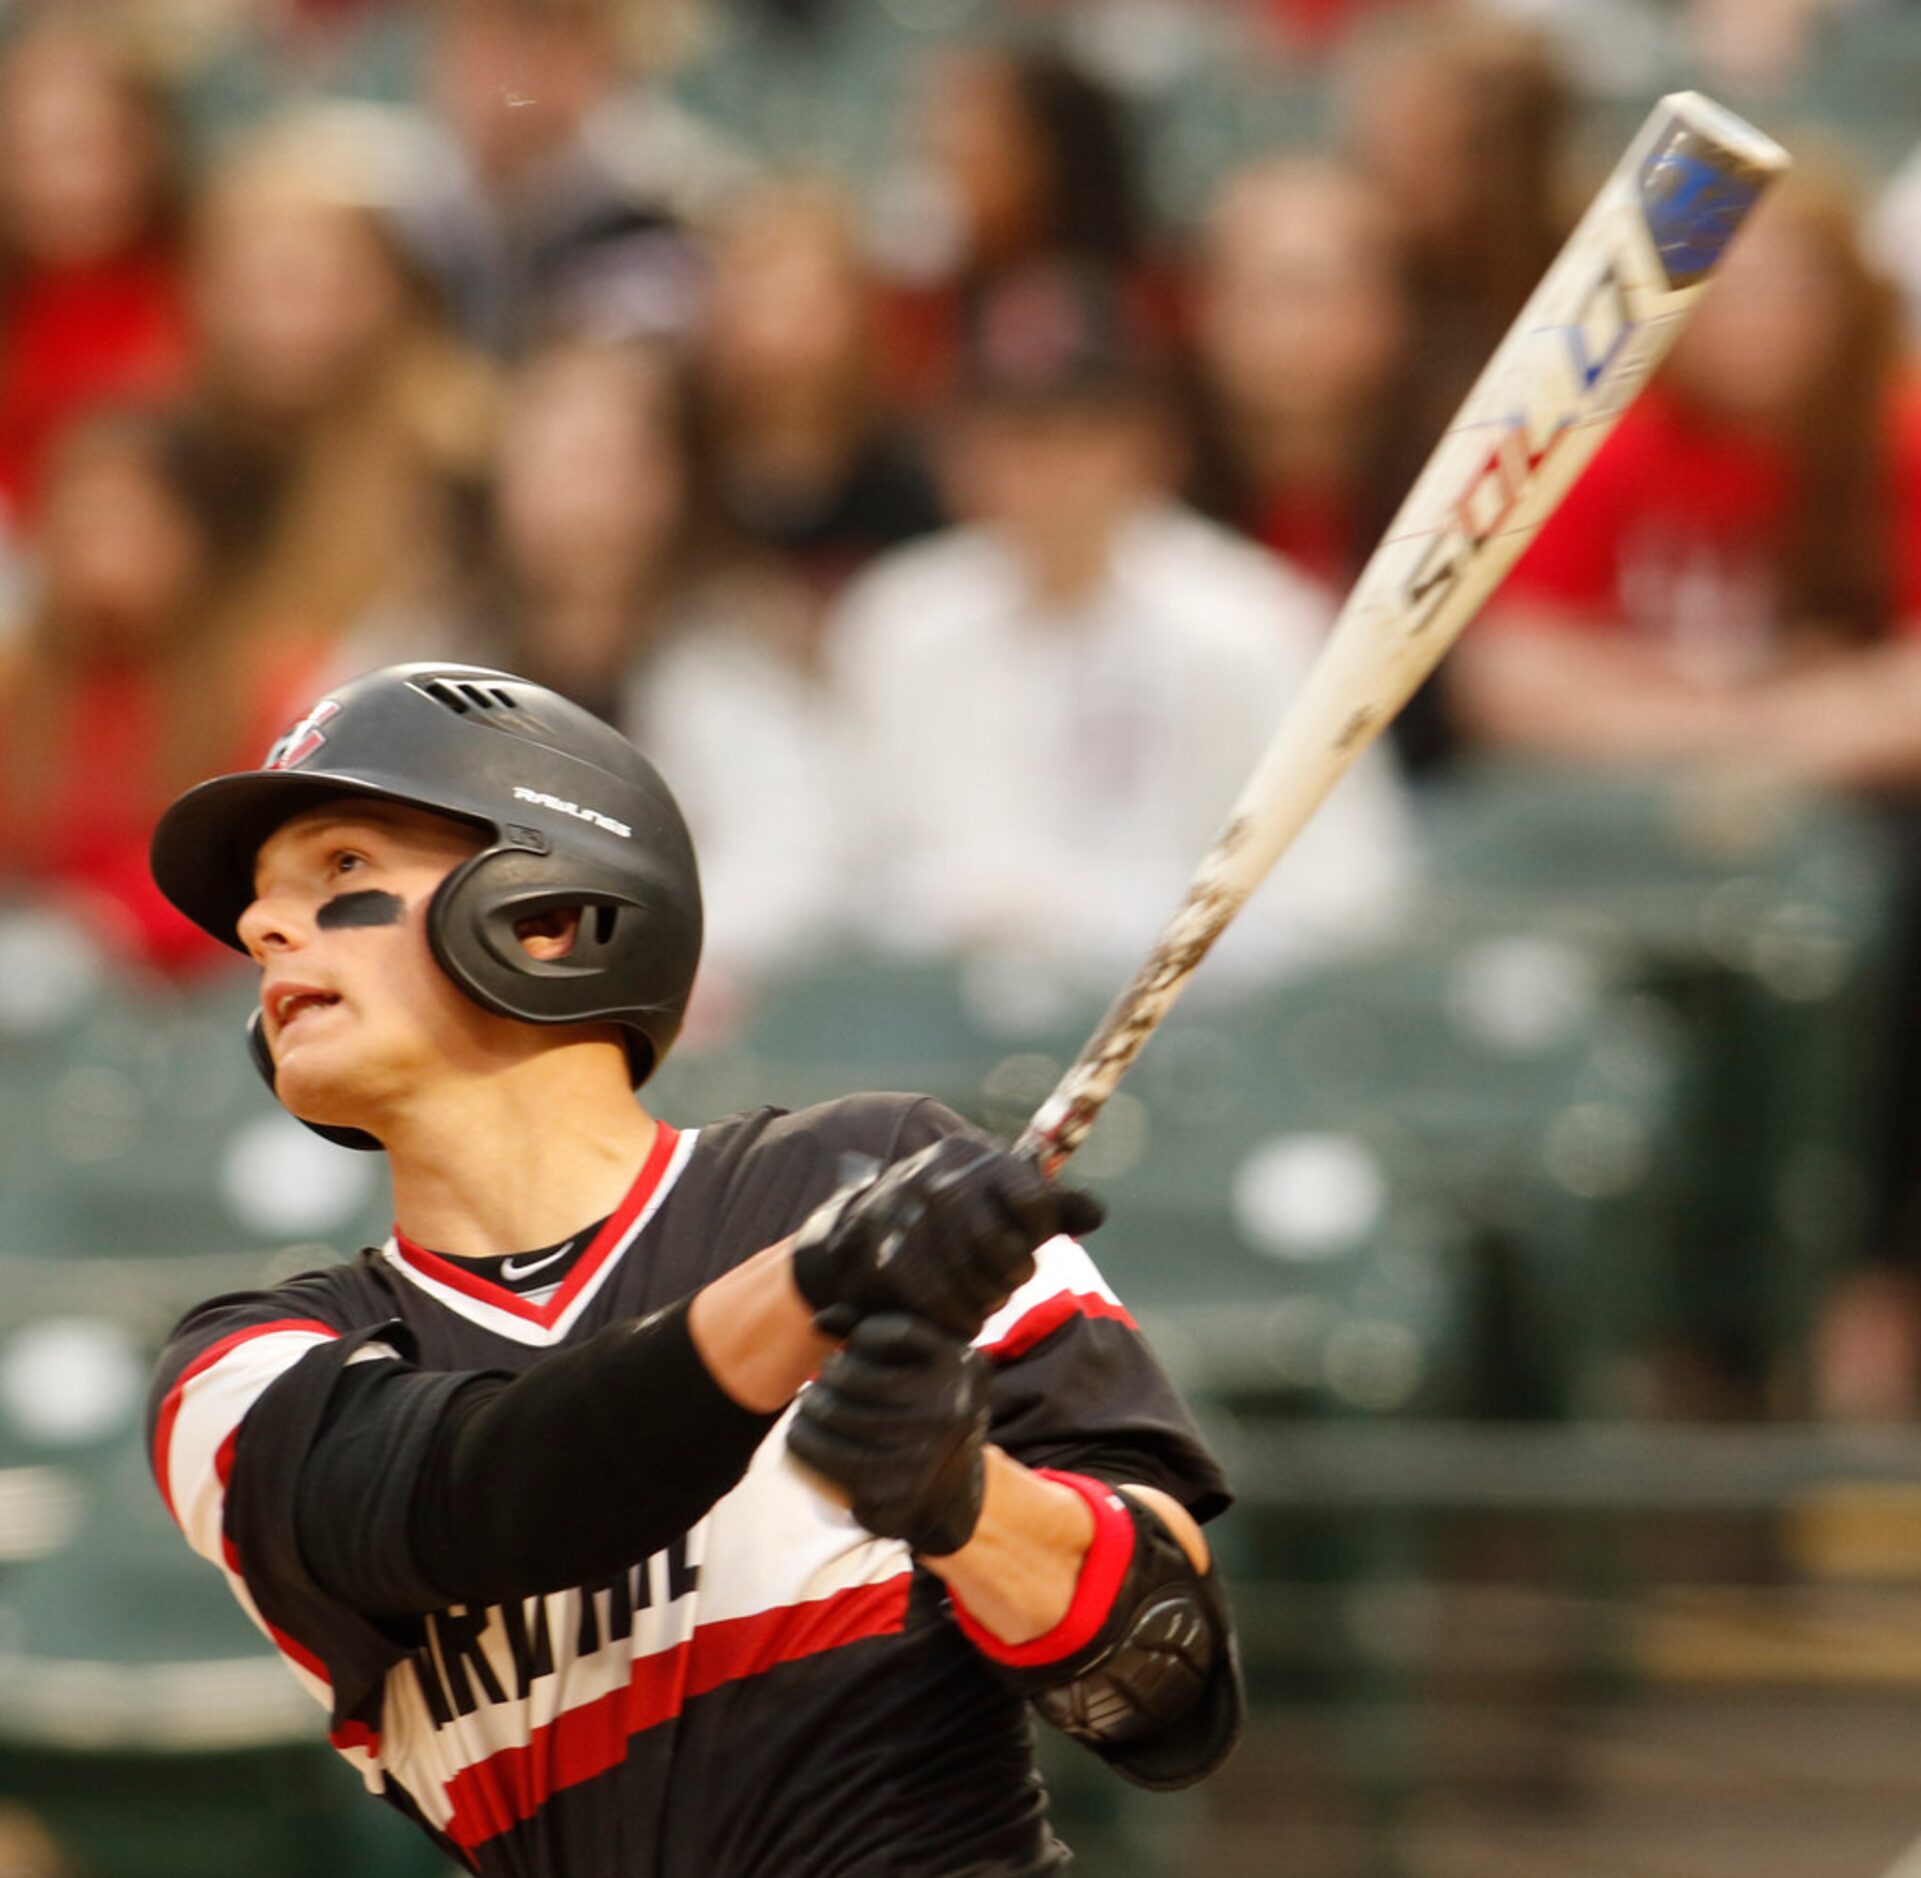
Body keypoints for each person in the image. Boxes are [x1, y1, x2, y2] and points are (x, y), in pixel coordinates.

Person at [144, 660, 1242, 1874]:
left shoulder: (872, 1167)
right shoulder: (239, 1372)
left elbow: (1164, 1686)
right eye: (260, 902)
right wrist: (809, 1290)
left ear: (546, 912)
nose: (260, 926)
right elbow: (494, 1494)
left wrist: (962, 1501)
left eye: (342, 868)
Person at [829, 258, 1417, 983]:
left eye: (1081, 429)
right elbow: (840, 873)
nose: (1045, 465)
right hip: (936, 1034)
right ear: (959, 447)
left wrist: (1105, 930)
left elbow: (1349, 893)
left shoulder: (1251, 622)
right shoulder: (899, 619)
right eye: (1015, 431)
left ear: (1149, 441)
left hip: (1186, 1042)